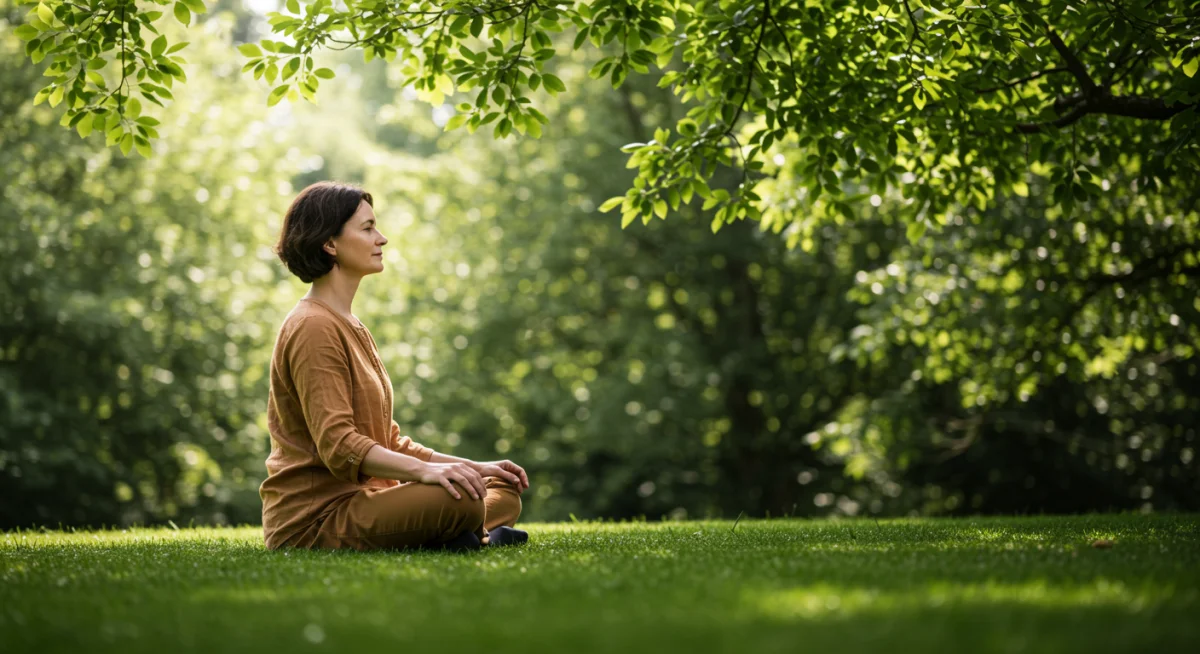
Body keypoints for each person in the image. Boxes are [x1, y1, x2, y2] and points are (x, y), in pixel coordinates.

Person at [259, 181, 530, 552]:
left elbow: (389, 441)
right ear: (330, 243)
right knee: (462, 500)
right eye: (368, 228)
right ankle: (470, 537)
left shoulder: (351, 324)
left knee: (501, 489)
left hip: (373, 500)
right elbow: (339, 446)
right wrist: (428, 473)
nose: (381, 238)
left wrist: (472, 465)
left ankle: (463, 538)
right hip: (319, 519)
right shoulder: (313, 327)